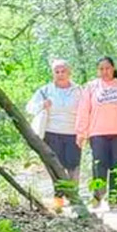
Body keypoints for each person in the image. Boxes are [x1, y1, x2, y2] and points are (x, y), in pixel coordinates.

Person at [75, 57, 117, 211]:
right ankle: (97, 196)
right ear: (97, 71)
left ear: (113, 68)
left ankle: (115, 200)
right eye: (101, 69)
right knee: (99, 165)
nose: (104, 72)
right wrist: (81, 133)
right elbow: (83, 111)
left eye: (107, 68)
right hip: (97, 133)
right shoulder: (91, 87)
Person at [26, 59, 82, 206]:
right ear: (53, 73)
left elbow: (87, 110)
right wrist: (42, 105)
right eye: (57, 72)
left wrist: (84, 132)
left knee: (73, 166)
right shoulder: (45, 91)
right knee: (55, 167)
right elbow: (29, 108)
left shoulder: (79, 91)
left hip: (73, 133)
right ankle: (59, 200)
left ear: (69, 72)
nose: (60, 74)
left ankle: (74, 199)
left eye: (63, 71)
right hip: (51, 133)